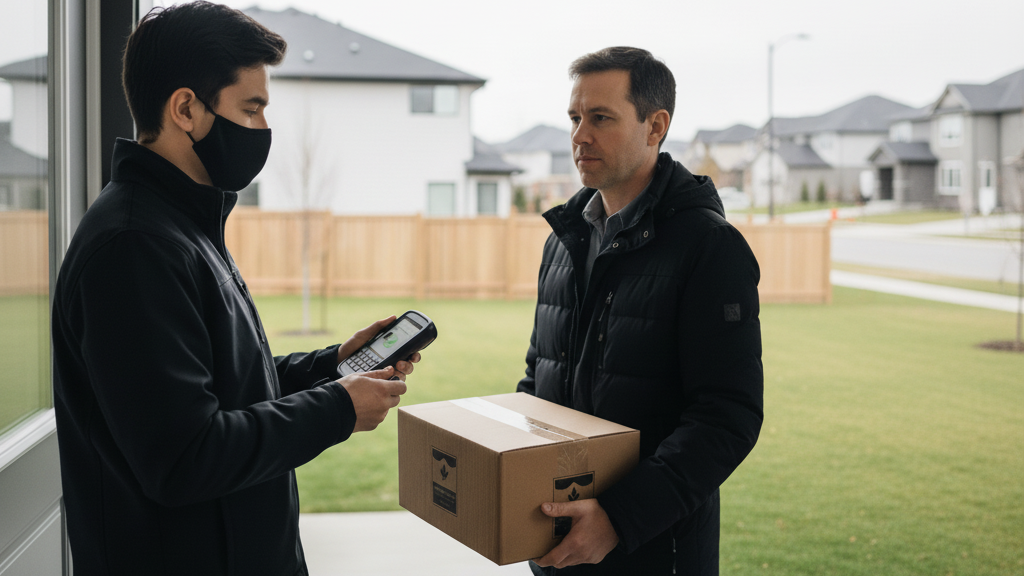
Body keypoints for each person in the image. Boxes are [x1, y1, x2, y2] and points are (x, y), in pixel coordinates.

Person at [50, 3, 415, 574]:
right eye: (251, 108)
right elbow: (184, 456)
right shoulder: (134, 247)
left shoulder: (180, 225)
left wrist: (331, 366)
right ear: (186, 109)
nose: (263, 129)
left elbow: (222, 387)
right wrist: (338, 409)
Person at [517, 47, 764, 575]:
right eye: (574, 118)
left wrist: (618, 519)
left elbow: (727, 417)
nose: (580, 136)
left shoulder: (709, 247)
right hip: (554, 547)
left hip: (652, 550)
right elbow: (540, 378)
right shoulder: (562, 241)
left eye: (600, 118)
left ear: (656, 127)